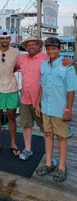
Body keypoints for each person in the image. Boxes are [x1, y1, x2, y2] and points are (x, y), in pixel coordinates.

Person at [15, 37, 74, 161]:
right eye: (28, 45)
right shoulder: (21, 59)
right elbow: (11, 68)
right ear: (25, 47)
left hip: (44, 101)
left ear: (39, 46)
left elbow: (61, 62)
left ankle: (51, 157)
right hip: (25, 98)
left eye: (34, 44)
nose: (31, 47)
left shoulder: (46, 58)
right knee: (26, 125)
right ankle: (27, 149)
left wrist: (72, 62)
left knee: (48, 131)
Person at [35, 37, 77, 182]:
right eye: (49, 48)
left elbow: (71, 91)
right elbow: (42, 86)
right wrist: (37, 103)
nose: (51, 51)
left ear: (59, 49)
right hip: (46, 107)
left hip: (60, 109)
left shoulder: (68, 66)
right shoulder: (43, 66)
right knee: (47, 135)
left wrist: (68, 110)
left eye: (54, 48)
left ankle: (61, 167)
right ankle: (48, 164)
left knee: (61, 137)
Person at [0, 30, 20, 156]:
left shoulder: (16, 52)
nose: (5, 40)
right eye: (2, 38)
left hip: (12, 88)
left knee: (12, 116)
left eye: (7, 38)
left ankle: (13, 143)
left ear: (10, 39)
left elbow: (18, 66)